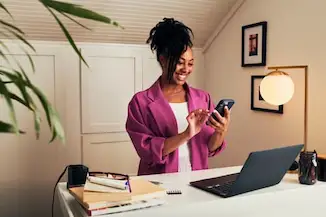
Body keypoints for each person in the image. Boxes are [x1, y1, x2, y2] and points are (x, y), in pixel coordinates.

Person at [125, 18, 231, 176]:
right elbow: (147, 151)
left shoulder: (203, 98)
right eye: (180, 62)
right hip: (158, 184)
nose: (186, 69)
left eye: (190, 63)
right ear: (163, 60)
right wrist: (186, 135)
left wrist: (221, 131)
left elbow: (209, 148)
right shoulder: (140, 103)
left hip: (197, 180)